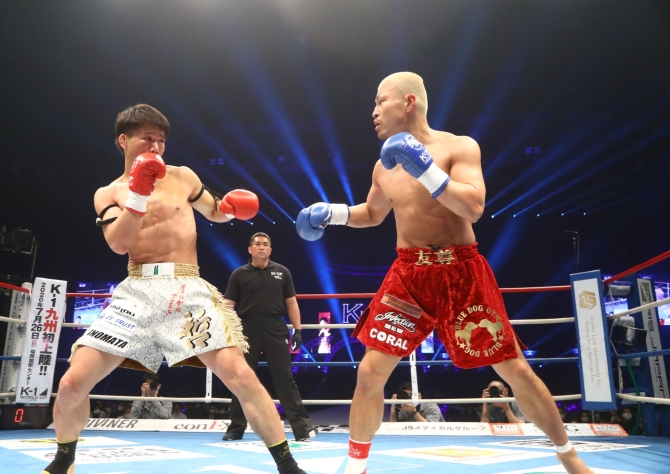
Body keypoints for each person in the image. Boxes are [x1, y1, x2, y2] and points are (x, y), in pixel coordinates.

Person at [295, 72, 593, 474]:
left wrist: (424, 168)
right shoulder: (383, 166)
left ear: (409, 102)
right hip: (409, 275)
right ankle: (355, 468)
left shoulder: (459, 147)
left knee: (514, 368)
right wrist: (330, 213)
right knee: (369, 371)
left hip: (461, 270)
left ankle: (567, 454)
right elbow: (373, 213)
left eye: (381, 101)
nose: (373, 112)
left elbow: (473, 207)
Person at [42, 104, 306, 474]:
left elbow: (215, 211)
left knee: (242, 375)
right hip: (136, 292)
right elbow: (119, 243)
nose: (156, 147)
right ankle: (63, 461)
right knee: (72, 382)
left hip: (186, 290)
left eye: (161, 140)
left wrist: (233, 208)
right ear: (124, 140)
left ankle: (288, 465)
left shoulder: (183, 177)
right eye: (147, 138)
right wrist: (138, 192)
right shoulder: (109, 192)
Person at [222, 232, 318, 442]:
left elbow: (291, 302)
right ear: (250, 249)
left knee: (285, 376)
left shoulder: (282, 272)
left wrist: (298, 330)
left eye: (265, 244)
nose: (261, 247)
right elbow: (228, 304)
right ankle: (236, 428)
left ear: (270, 250)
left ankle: (302, 428)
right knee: (241, 377)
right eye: (257, 244)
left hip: (275, 327)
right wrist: (226, 331)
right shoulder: (239, 274)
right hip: (246, 328)